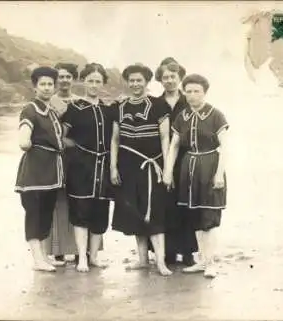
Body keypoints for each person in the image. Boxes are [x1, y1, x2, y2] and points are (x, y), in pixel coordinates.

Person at [163, 74, 229, 278]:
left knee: (208, 218)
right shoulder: (182, 116)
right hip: (188, 168)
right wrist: (167, 171)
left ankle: (210, 263)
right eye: (188, 91)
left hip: (209, 167)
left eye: (196, 91)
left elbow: (225, 147)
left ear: (204, 92)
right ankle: (202, 261)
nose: (192, 95)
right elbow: (174, 146)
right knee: (194, 217)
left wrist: (219, 174)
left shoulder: (215, 114)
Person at [110, 63, 172, 276]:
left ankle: (161, 262)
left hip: (151, 166)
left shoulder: (159, 105)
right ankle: (143, 259)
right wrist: (113, 168)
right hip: (128, 167)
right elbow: (115, 139)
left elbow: (165, 138)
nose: (135, 84)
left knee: (155, 214)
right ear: (127, 82)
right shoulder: (120, 107)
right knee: (136, 213)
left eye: (139, 80)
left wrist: (167, 168)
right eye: (131, 80)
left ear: (146, 82)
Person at [61, 63, 114, 272]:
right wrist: (78, 150)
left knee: (100, 212)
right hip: (80, 167)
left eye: (98, 81)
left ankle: (94, 257)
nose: (93, 85)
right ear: (83, 82)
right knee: (81, 211)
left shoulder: (108, 109)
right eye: (90, 80)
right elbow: (62, 137)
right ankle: (81, 257)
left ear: (103, 84)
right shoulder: (74, 108)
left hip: (104, 166)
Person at [14, 66, 64, 272]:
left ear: (54, 87)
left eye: (50, 84)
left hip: (51, 171)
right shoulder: (30, 110)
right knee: (34, 213)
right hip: (35, 171)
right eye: (42, 84)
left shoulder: (51, 111)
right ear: (35, 87)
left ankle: (44, 256)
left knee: (46, 213)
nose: (46, 88)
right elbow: (24, 140)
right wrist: (28, 143)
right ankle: (37, 260)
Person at [153, 57, 197, 267]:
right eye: (165, 77)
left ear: (180, 78)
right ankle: (168, 253)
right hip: (161, 158)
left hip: (186, 157)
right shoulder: (156, 103)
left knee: (186, 203)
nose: (169, 80)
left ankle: (188, 252)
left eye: (173, 77)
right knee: (165, 204)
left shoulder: (188, 101)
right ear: (160, 80)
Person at [43, 62, 79, 266]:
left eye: (68, 76)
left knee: (74, 201)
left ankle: (76, 249)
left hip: (76, 158)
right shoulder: (48, 101)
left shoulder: (79, 102)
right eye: (61, 77)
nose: (64, 80)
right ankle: (56, 251)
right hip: (55, 157)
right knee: (56, 203)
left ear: (74, 79)